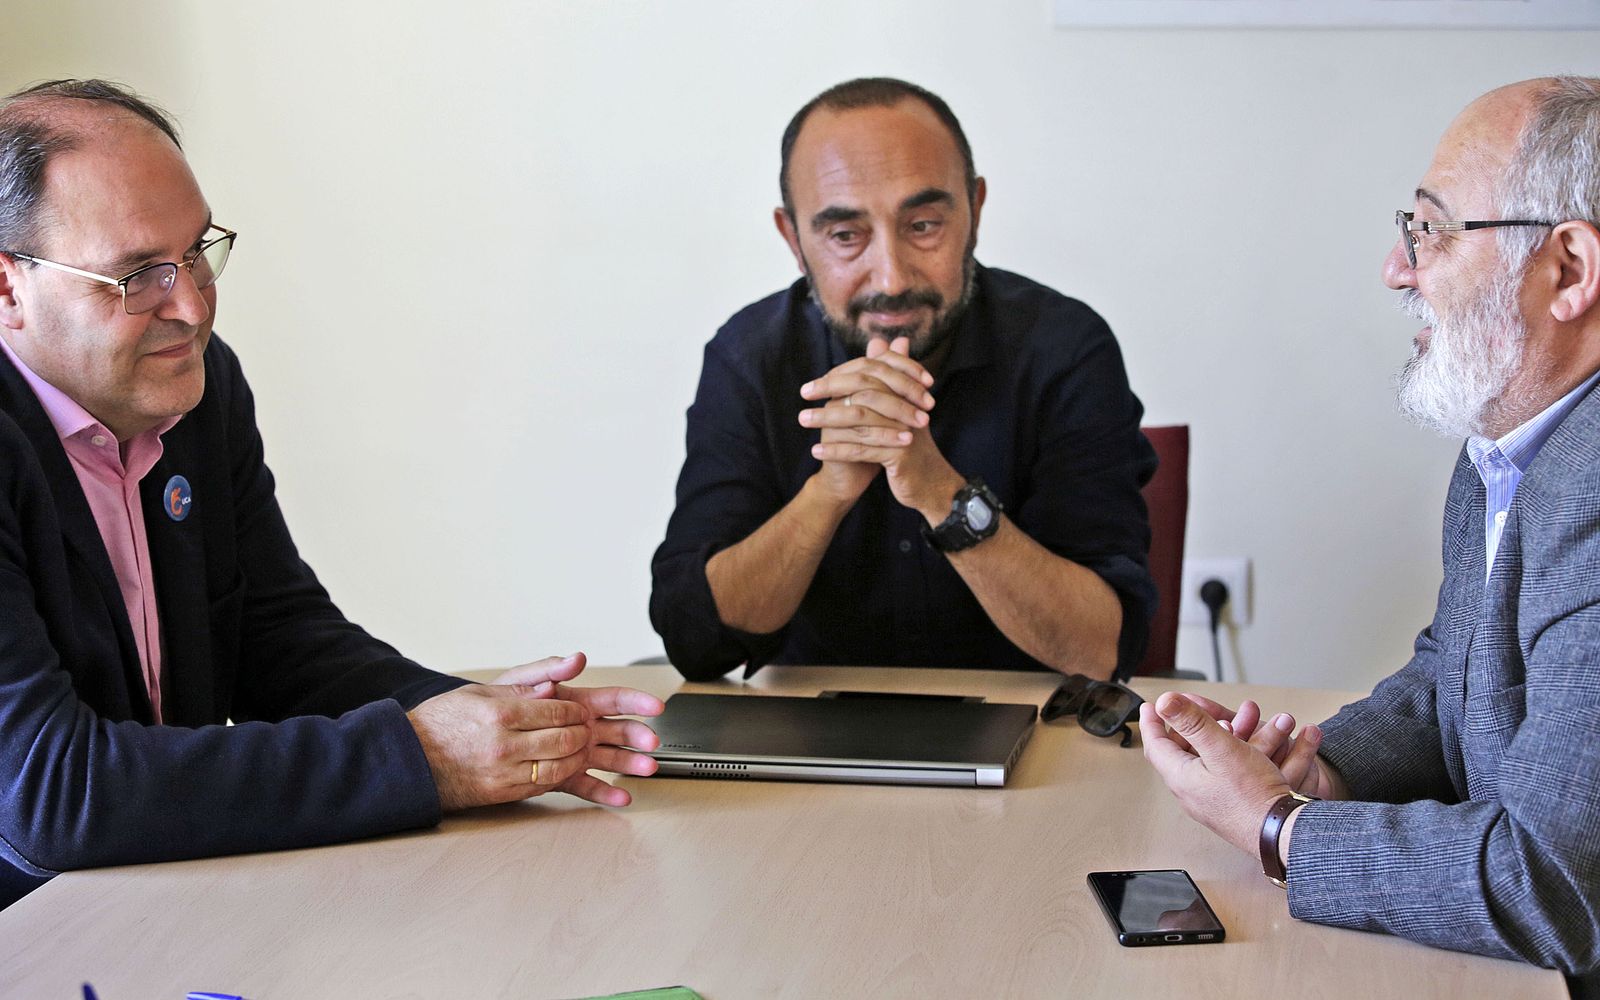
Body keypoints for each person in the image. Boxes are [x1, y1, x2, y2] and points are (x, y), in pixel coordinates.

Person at [0, 79, 662, 909]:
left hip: (163, 897)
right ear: (8, 287)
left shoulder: (197, 386)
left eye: (197, 252)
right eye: (138, 275)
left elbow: (278, 640)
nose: (193, 306)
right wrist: (424, 757)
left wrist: (483, 720)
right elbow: (50, 795)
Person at [1140, 77, 1600, 996]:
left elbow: (1549, 881)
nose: (1397, 268)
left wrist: (1279, 826)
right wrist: (1322, 768)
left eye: (1433, 230)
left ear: (1570, 271)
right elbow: (1452, 678)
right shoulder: (1512, 445)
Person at [650, 77, 1155, 682]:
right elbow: (696, 643)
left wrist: (941, 492)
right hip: (804, 730)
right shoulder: (750, 357)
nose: (890, 278)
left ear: (975, 211)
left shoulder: (1064, 348)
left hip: (1038, 725)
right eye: (845, 236)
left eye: (923, 225)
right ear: (794, 238)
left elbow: (1101, 650)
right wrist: (829, 490)